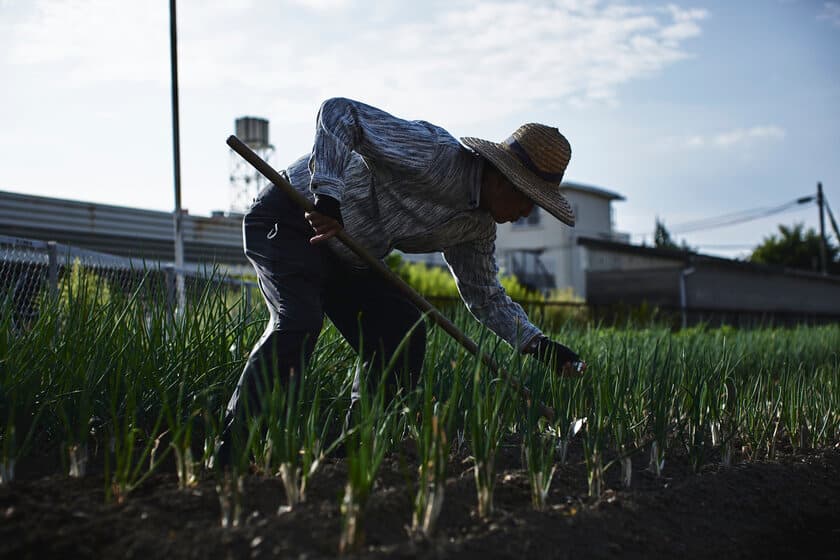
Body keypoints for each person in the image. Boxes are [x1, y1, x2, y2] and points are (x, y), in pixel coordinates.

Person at [219, 97, 585, 461]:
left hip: (349, 252)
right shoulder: (434, 154)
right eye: (527, 201)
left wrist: (539, 346)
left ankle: (356, 451)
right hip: (295, 217)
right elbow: (340, 113)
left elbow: (485, 296)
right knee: (298, 321)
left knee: (400, 329)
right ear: (504, 179)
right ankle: (233, 450)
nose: (524, 214)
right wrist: (327, 197)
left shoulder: (476, 227)